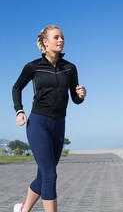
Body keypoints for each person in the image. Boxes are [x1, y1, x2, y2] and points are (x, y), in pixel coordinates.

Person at [12, 25, 87, 212]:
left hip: (59, 124)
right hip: (38, 122)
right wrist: (19, 110)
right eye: (56, 37)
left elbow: (75, 99)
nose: (61, 40)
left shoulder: (70, 68)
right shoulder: (34, 66)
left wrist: (81, 95)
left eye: (62, 37)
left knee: (44, 175)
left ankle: (23, 210)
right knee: (50, 176)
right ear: (45, 42)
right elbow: (16, 87)